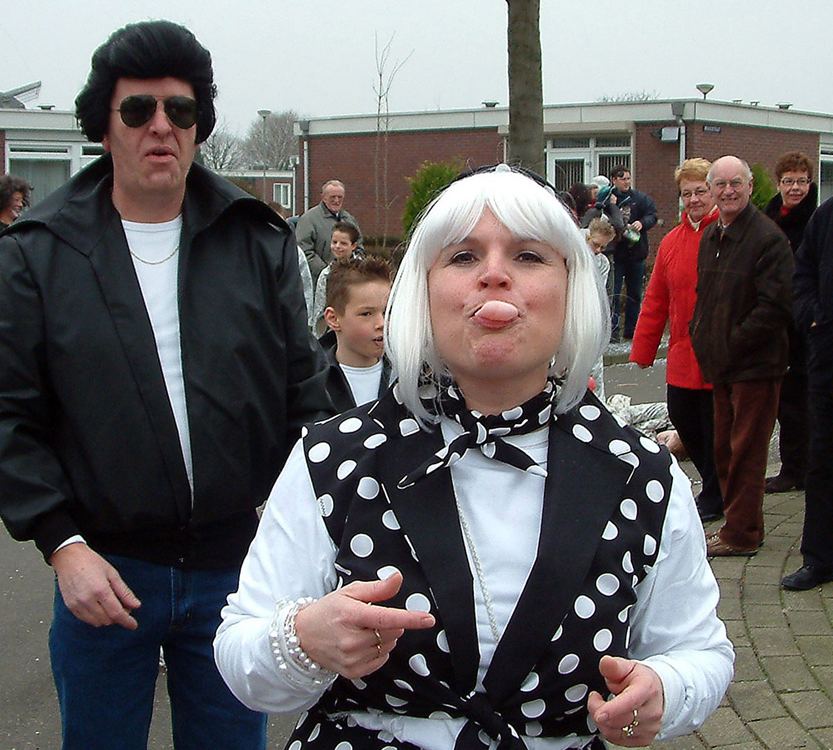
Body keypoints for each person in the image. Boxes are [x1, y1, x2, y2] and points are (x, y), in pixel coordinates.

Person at [215, 165, 733, 750]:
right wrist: (304, 639)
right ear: (423, 291)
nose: (494, 274)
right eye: (463, 257)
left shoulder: (641, 473)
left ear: (572, 289)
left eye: (529, 256)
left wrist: (664, 688)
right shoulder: (333, 458)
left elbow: (698, 650)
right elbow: (241, 653)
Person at [0, 20, 332, 750]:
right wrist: (63, 546)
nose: (160, 126)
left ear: (199, 125)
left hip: (235, 575)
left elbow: (306, 397)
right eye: (138, 109)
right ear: (104, 125)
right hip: (104, 574)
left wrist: (310, 532)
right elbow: (7, 416)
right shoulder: (39, 252)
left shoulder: (255, 239)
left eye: (181, 109)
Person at [690, 156, 794, 557]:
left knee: (746, 452)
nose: (728, 191)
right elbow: (705, 296)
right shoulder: (711, 235)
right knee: (725, 450)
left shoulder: (768, 239)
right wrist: (700, 335)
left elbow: (775, 307)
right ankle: (740, 524)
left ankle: (742, 534)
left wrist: (731, 343)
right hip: (723, 365)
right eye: (720, 184)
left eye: (736, 183)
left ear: (750, 187)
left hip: (756, 366)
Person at [630, 158, 723, 523]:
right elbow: (656, 299)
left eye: (701, 191)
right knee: (683, 417)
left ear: (714, 192)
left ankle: (717, 493)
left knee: (717, 430)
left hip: (720, 355)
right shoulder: (671, 242)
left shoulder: (729, 236)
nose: (694, 199)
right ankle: (715, 487)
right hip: (683, 352)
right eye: (687, 193)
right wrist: (643, 349)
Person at [781, 192, 833, 590]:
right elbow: (803, 273)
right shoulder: (826, 217)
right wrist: (812, 317)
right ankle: (819, 558)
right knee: (823, 458)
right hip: (827, 357)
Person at [763, 151, 819, 494]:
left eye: (801, 181)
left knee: (803, 400)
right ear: (779, 183)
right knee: (783, 401)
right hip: (774, 321)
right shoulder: (768, 219)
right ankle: (793, 466)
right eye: (788, 181)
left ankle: (803, 468)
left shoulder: (815, 221)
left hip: (804, 325)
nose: (795, 188)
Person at [319, 255, 394, 413]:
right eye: (366, 314)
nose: (382, 323)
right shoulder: (312, 381)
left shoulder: (407, 378)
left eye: (387, 312)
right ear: (333, 319)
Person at [607, 166, 658, 342]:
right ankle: (613, 330)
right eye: (623, 179)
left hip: (636, 253)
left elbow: (652, 215)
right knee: (613, 293)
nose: (627, 182)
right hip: (616, 254)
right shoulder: (608, 199)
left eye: (628, 178)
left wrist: (643, 223)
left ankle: (631, 329)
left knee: (634, 294)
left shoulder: (640, 199)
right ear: (614, 180)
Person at [297, 179, 363, 282]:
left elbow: (359, 248)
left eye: (340, 197)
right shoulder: (308, 220)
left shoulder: (350, 220)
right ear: (324, 197)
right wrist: (327, 272)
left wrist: (352, 271)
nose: (336, 200)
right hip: (318, 281)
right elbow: (304, 251)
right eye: (333, 197)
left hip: (348, 280)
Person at [313, 221, 363, 335]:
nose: (338, 246)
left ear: (353, 246)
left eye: (343, 243)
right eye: (334, 242)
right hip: (333, 330)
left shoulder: (363, 272)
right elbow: (319, 309)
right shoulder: (326, 274)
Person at [584, 216, 614, 400]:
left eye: (603, 247)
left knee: (594, 371)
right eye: (595, 245)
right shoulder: (569, 254)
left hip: (590, 320)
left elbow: (596, 294)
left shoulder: (602, 263)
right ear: (587, 236)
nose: (598, 250)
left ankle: (599, 405)